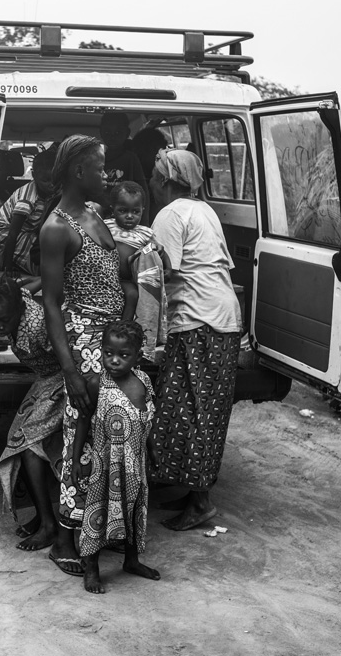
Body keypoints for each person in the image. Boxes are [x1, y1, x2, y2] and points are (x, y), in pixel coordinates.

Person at [38, 134, 136, 577]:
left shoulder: (95, 215)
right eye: (99, 167)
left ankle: (100, 529)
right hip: (83, 344)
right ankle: (64, 537)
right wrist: (71, 371)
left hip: (110, 341)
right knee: (80, 443)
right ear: (79, 172)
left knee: (108, 440)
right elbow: (52, 305)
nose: (106, 175)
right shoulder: (57, 228)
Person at [148, 147, 243, 532]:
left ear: (168, 181)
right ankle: (192, 491)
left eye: (155, 177)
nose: (151, 183)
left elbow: (160, 273)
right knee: (203, 407)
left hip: (198, 320)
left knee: (189, 408)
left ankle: (200, 502)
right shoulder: (204, 210)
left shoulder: (170, 214)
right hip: (222, 317)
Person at [74, 320, 161, 594]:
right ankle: (91, 569)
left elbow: (145, 420)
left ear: (137, 356)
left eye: (123, 355)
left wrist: (153, 449)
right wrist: (76, 459)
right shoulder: (96, 384)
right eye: (109, 352)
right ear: (101, 350)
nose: (114, 360)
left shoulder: (144, 381)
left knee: (135, 510)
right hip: (105, 466)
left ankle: (131, 561)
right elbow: (83, 421)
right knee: (98, 515)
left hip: (136, 464)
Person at [0, 277, 65, 551]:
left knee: (30, 446)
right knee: (16, 440)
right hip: (45, 379)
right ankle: (43, 517)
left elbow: (70, 355)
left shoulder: (39, 326)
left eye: (4, 320)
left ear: (18, 310)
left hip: (63, 380)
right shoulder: (15, 300)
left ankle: (49, 526)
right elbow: (27, 288)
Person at [104, 181, 171, 360]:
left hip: (127, 280)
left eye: (135, 212)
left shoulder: (145, 233)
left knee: (132, 295)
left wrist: (168, 269)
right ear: (113, 209)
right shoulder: (106, 226)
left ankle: (122, 330)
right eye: (123, 210)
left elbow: (161, 251)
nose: (129, 216)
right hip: (106, 277)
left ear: (143, 210)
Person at [0, 147, 57, 277]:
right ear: (34, 176)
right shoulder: (27, 200)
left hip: (24, 234)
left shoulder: (49, 193)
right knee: (43, 267)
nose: (51, 185)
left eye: (54, 180)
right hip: (3, 240)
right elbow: (12, 234)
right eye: (45, 180)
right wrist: (7, 269)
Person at [99, 112, 149, 224]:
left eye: (118, 132)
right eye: (107, 132)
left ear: (127, 133)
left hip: (127, 217)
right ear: (101, 132)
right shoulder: (98, 159)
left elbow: (143, 191)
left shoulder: (131, 159)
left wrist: (145, 223)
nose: (112, 137)